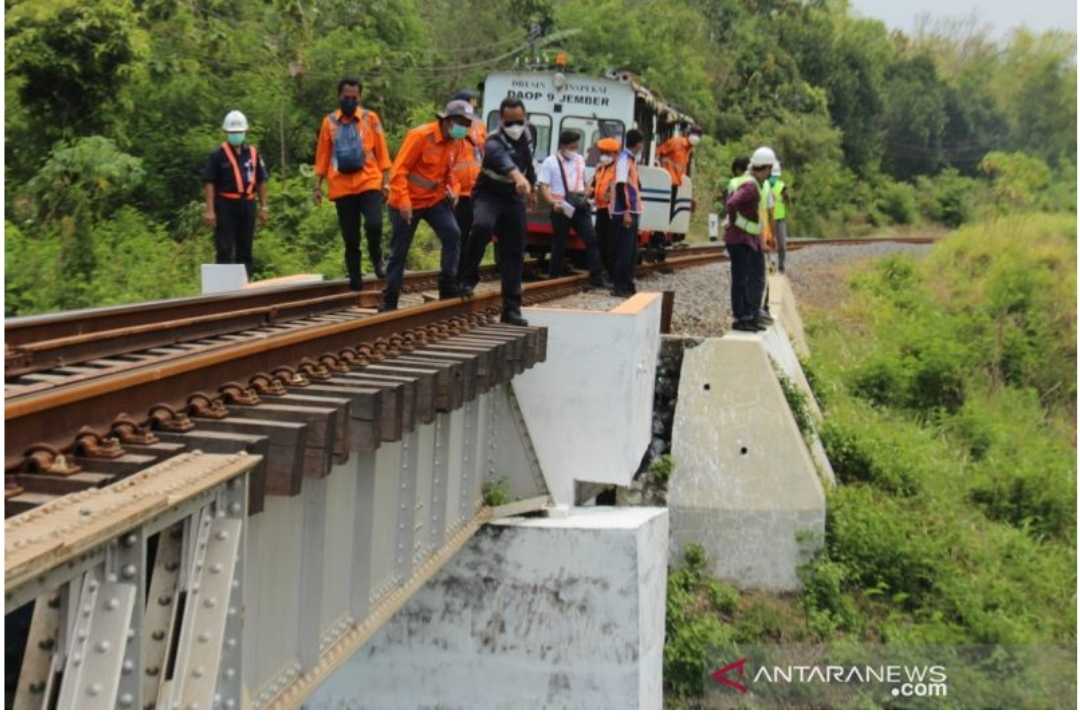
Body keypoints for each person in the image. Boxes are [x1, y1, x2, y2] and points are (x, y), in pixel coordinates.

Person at [379, 99, 472, 311]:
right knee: (399, 252)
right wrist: (403, 202)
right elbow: (398, 172)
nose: (464, 127)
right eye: (461, 122)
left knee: (453, 234)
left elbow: (452, 175)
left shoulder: (457, 143)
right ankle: (389, 301)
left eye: (467, 124)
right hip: (406, 201)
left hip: (434, 200)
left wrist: (454, 191)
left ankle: (448, 286)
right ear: (447, 120)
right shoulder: (420, 136)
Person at [457, 97, 536, 326]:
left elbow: (527, 162)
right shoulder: (492, 141)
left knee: (514, 250)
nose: (515, 127)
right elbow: (503, 161)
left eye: (519, 121)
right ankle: (467, 278)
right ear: (502, 120)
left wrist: (531, 185)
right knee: (482, 226)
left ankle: (511, 308)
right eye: (510, 122)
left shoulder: (528, 135)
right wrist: (519, 177)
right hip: (488, 195)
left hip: (513, 198)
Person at [313, 78, 392, 289]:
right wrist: (317, 185)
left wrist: (386, 182)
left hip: (369, 181)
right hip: (341, 185)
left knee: (374, 224)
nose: (350, 101)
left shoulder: (370, 118)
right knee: (351, 236)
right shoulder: (329, 122)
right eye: (346, 97)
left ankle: (378, 260)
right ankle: (355, 279)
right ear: (339, 96)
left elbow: (382, 151)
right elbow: (322, 155)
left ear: (360, 97)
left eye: (354, 98)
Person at [202, 110, 268, 278]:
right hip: (225, 205)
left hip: (248, 204)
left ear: (245, 132)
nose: (236, 135)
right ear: (226, 133)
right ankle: (224, 291)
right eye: (232, 133)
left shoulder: (253, 153)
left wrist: (264, 207)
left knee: (245, 248)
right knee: (224, 247)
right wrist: (209, 210)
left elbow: (261, 180)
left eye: (239, 132)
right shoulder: (217, 155)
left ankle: (244, 288)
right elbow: (209, 181)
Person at [537, 129, 607, 288]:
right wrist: (552, 203)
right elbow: (544, 186)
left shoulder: (580, 159)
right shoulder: (550, 161)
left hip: (580, 205)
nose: (575, 149)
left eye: (576, 146)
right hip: (561, 207)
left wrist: (588, 191)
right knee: (559, 242)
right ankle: (554, 278)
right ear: (563, 145)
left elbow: (581, 181)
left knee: (591, 240)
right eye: (572, 146)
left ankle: (597, 278)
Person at [724, 146, 775, 331]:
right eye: (770, 170)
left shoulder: (752, 183)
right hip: (739, 239)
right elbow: (731, 203)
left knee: (744, 278)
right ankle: (740, 318)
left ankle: (746, 317)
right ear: (767, 168)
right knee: (740, 280)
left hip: (745, 239)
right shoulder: (751, 185)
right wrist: (736, 222)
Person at [449, 89, 487, 270]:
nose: (474, 106)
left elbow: (484, 151)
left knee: (473, 234)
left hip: (475, 190)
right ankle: (454, 272)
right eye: (471, 103)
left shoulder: (479, 124)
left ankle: (463, 272)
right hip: (457, 191)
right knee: (458, 234)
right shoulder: (452, 123)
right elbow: (453, 145)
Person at [611, 129, 645, 297]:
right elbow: (620, 186)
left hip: (633, 209)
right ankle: (619, 286)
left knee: (631, 251)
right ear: (638, 144)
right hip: (626, 211)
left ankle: (627, 284)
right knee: (624, 251)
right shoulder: (624, 160)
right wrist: (625, 211)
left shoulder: (631, 160)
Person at [656, 125, 701, 230]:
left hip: (675, 182)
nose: (696, 137)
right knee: (664, 209)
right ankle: (658, 234)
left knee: (670, 211)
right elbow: (659, 152)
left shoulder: (689, 149)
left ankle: (661, 234)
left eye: (699, 135)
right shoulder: (675, 142)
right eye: (694, 134)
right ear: (688, 133)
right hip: (666, 181)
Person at [589, 137, 621, 279]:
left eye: (606, 153)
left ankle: (611, 273)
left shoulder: (618, 169)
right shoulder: (601, 168)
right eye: (602, 152)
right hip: (601, 209)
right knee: (600, 241)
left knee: (611, 243)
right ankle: (601, 272)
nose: (603, 156)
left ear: (614, 154)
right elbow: (595, 185)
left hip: (612, 211)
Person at [769, 161, 791, 272]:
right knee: (770, 243)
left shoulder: (782, 186)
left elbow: (787, 198)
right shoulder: (764, 185)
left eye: (775, 176)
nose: (774, 178)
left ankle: (781, 265)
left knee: (782, 244)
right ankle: (771, 266)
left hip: (780, 219)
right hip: (768, 219)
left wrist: (786, 199)